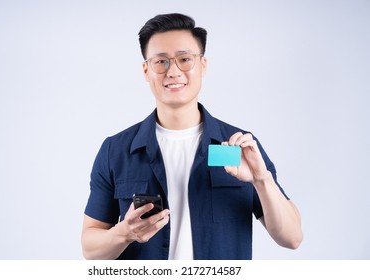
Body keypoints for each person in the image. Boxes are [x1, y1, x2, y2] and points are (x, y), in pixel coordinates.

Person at [81, 13, 303, 260]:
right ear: (146, 70)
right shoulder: (117, 150)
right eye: (161, 62)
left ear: (203, 65)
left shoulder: (238, 146)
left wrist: (262, 180)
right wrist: (124, 232)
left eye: (185, 59)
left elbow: (292, 238)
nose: (173, 71)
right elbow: (90, 249)